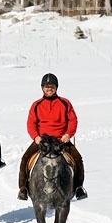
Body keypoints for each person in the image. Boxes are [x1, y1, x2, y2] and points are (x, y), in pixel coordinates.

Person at [17, 72, 87, 201]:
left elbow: (73, 120)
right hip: (42, 141)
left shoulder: (65, 103)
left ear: (56, 87)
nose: (49, 89)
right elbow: (31, 123)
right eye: (46, 86)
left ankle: (78, 188)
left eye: (52, 86)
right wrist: (36, 137)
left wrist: (68, 134)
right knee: (25, 159)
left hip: (61, 140)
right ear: (42, 88)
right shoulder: (36, 105)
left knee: (78, 160)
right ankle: (23, 188)